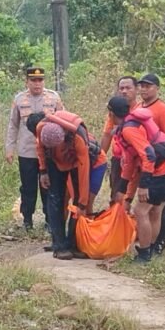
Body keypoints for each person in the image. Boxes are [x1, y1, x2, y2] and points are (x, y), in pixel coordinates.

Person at [108, 96, 165, 263]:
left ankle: (144, 254)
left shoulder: (128, 130)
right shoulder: (130, 123)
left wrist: (144, 185)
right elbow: (130, 162)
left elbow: (148, 155)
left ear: (111, 113)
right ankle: (152, 250)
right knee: (155, 210)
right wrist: (122, 191)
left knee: (141, 211)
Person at [31, 111, 107, 260]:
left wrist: (83, 201)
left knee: (78, 203)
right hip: (53, 162)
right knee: (55, 199)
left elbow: (83, 171)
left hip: (74, 163)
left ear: (64, 138)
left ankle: (73, 243)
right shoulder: (41, 128)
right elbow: (40, 149)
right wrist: (43, 171)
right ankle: (59, 245)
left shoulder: (78, 137)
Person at [5, 67, 64, 230]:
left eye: (40, 80)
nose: (37, 84)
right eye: (33, 80)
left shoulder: (53, 97)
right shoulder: (19, 99)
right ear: (27, 82)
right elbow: (13, 125)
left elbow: (63, 120)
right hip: (27, 151)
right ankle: (27, 220)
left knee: (48, 186)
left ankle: (49, 220)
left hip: (49, 151)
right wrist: (9, 148)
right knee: (28, 187)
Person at [137, 73, 165, 255]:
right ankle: (152, 246)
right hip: (147, 164)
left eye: (148, 86)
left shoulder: (162, 109)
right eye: (142, 86)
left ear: (157, 88)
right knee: (153, 209)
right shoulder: (139, 107)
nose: (144, 89)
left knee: (159, 208)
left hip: (163, 164)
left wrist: (156, 158)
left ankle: (155, 245)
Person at [99, 76, 139, 201]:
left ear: (136, 89)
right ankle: (117, 218)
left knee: (137, 195)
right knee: (116, 194)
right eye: (121, 88)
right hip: (118, 158)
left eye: (128, 88)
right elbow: (107, 134)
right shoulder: (114, 111)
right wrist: (100, 157)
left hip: (137, 159)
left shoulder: (141, 111)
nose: (124, 91)